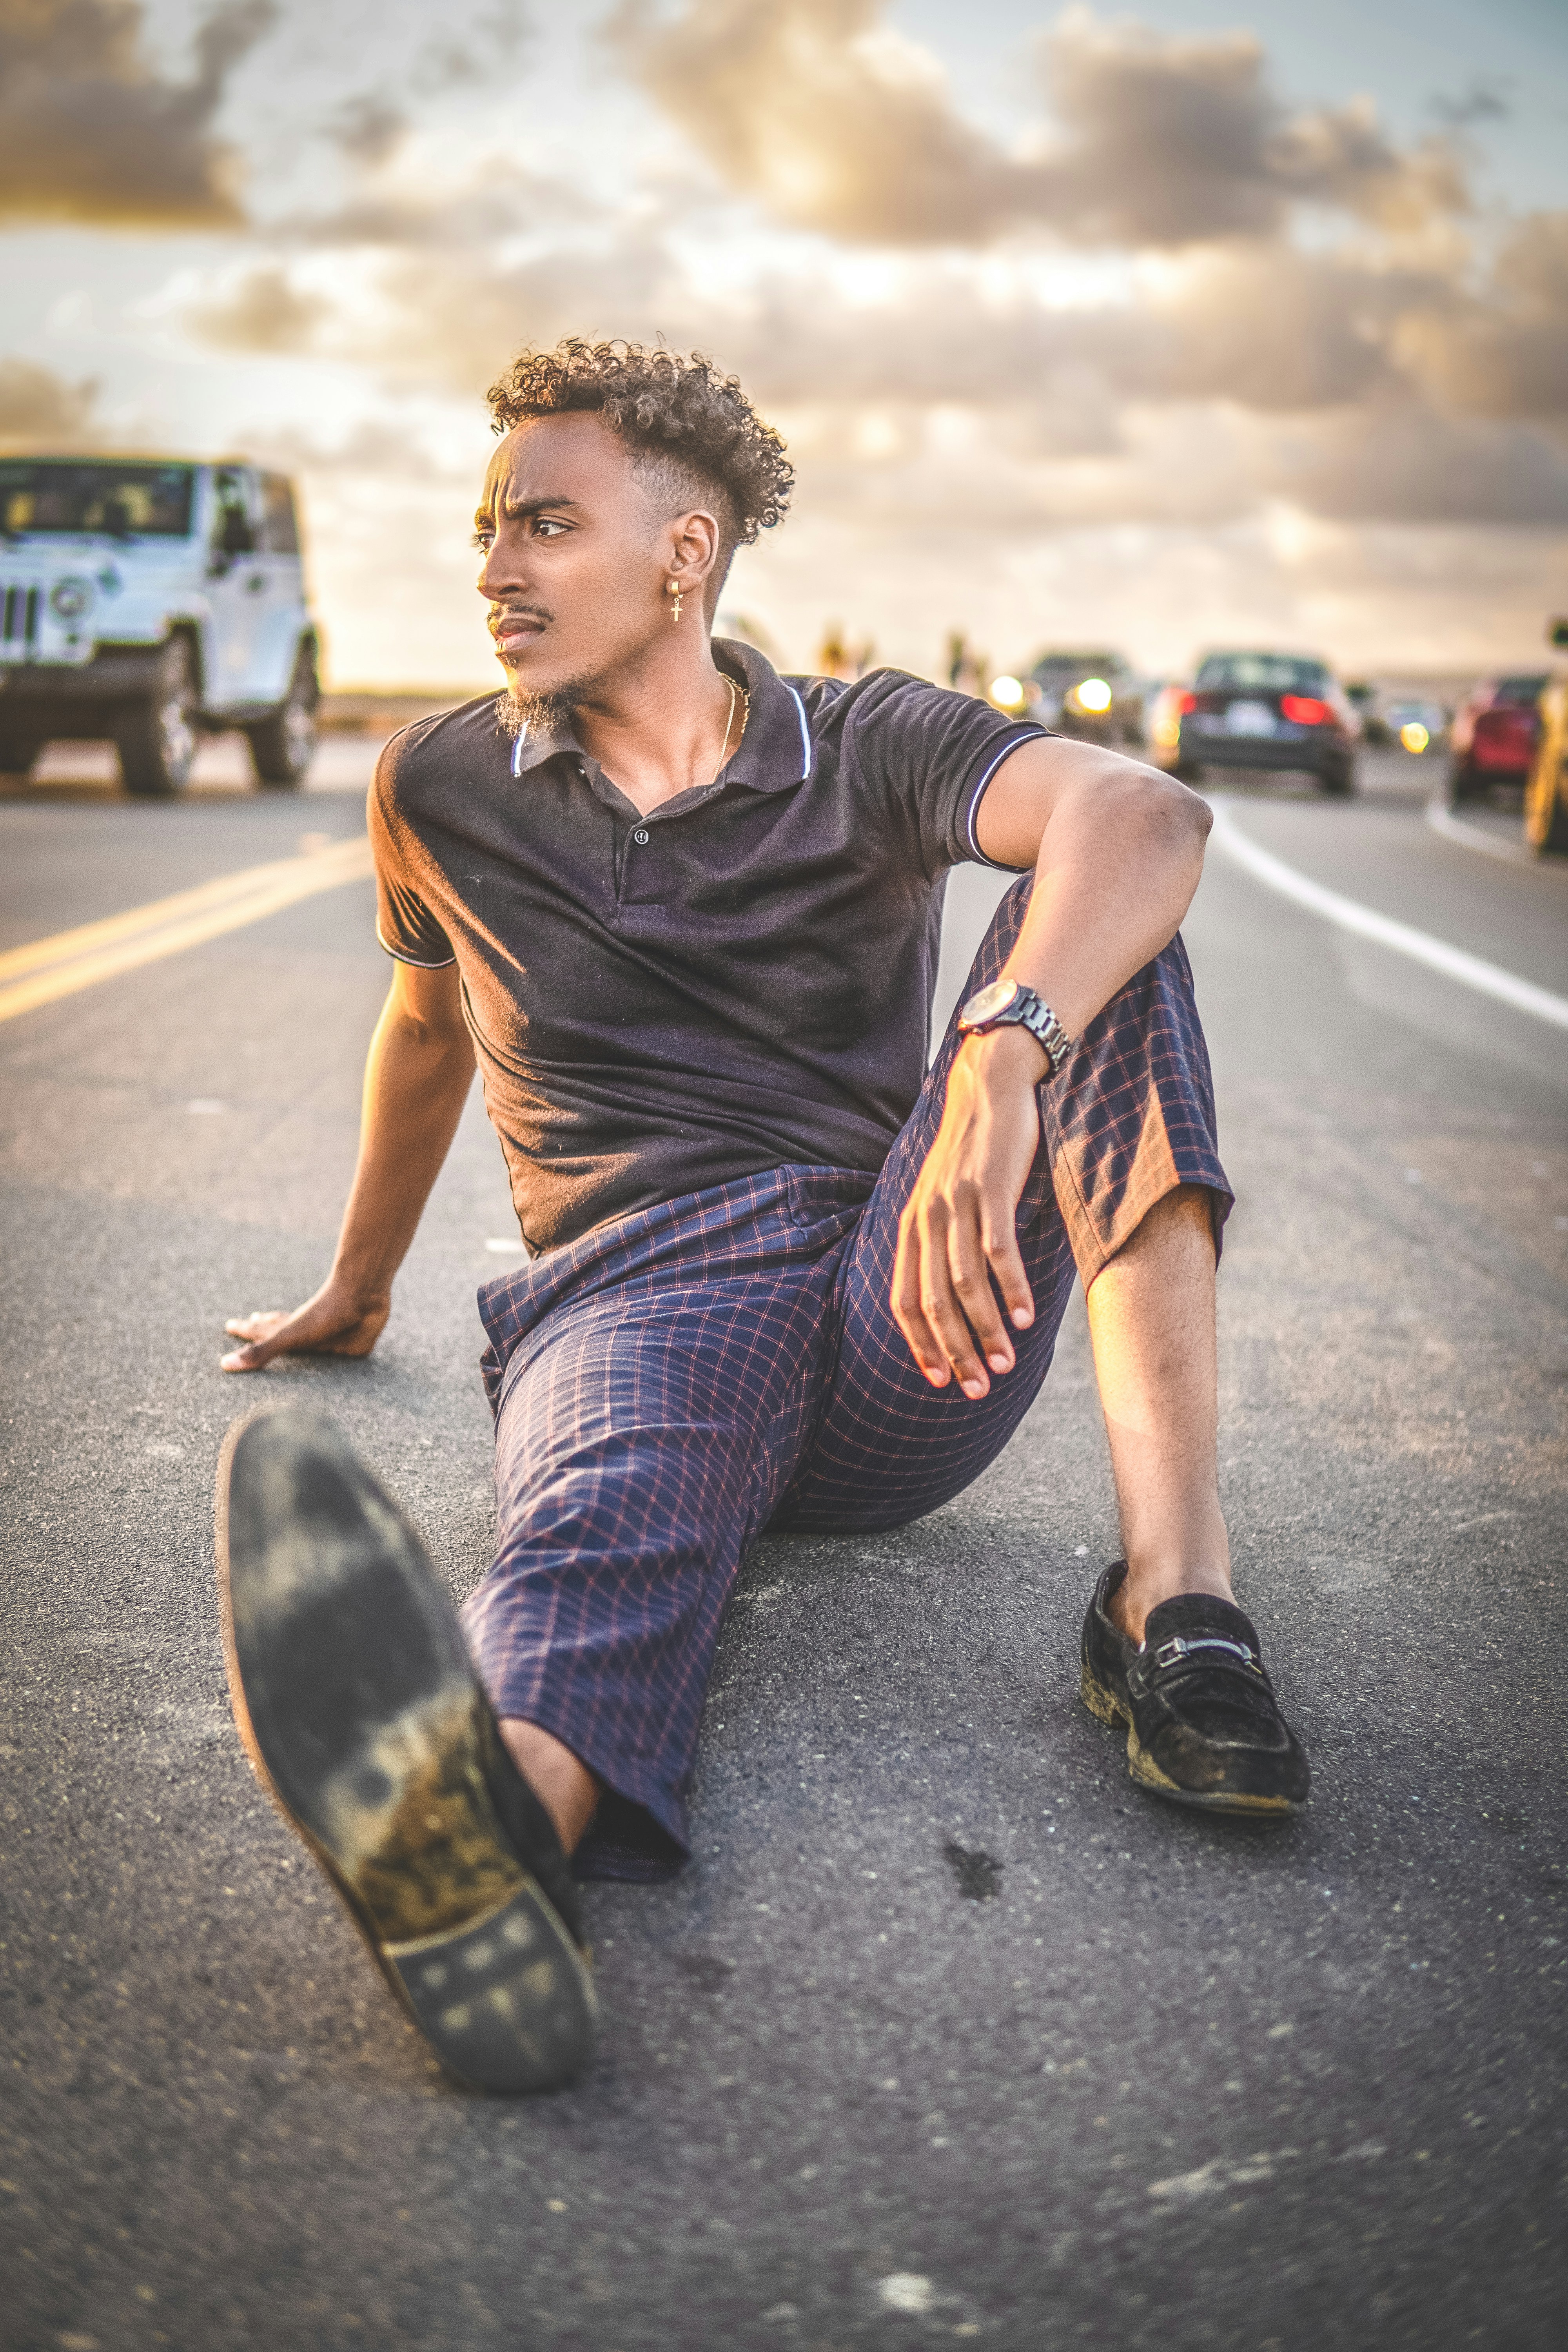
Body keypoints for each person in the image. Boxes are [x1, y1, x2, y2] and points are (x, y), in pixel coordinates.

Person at [216, 338, 1308, 2098]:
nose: (492, 567)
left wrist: (1000, 1057)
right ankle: (493, 1850)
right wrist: (358, 1285)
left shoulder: (862, 740)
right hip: (639, 1296)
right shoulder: (438, 787)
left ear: (684, 552)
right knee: (601, 1525)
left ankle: (1179, 1612)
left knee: (1104, 944)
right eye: (485, 528)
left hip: (901, 1310)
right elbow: (424, 1031)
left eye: (543, 526)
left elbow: (1142, 809)